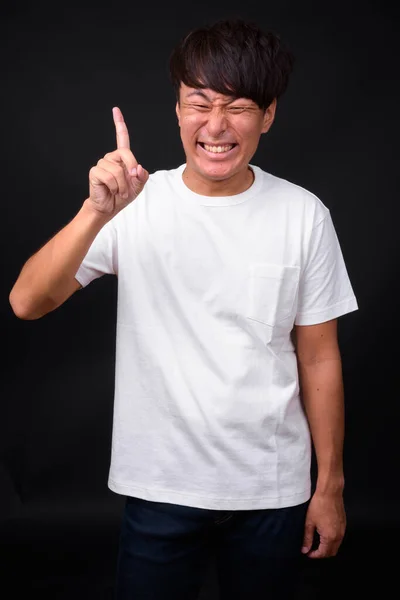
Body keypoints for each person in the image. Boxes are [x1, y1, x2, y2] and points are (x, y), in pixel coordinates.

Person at [9, 17, 358, 600]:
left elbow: (319, 358)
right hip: (159, 489)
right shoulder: (135, 205)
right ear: (176, 109)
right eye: (199, 103)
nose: (215, 125)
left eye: (239, 106)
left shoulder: (304, 214)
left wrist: (330, 487)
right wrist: (96, 212)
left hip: (271, 490)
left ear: (268, 116)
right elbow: (27, 302)